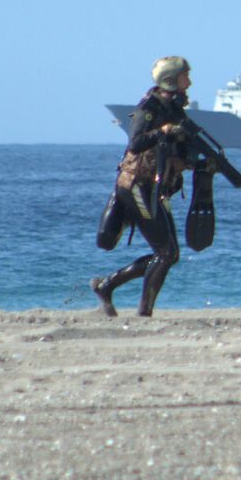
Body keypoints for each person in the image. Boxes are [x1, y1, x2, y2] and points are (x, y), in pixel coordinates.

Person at [91, 56, 194, 317]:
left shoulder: (174, 108)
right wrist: (165, 131)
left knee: (169, 254)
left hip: (156, 188)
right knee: (166, 253)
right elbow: (135, 143)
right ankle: (143, 311)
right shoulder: (148, 108)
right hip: (136, 185)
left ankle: (107, 286)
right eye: (185, 76)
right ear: (171, 80)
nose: (189, 81)